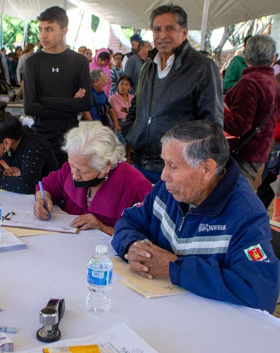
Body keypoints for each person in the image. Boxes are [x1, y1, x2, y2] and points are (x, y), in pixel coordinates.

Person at [112, 120, 280, 313]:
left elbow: (260, 293)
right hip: (156, 308)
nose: (164, 176)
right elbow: (129, 221)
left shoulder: (246, 216)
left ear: (207, 169)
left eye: (173, 166)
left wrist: (175, 268)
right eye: (164, 163)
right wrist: (132, 246)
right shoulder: (169, 190)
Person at [122, 4, 223, 184]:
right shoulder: (148, 65)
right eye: (157, 29)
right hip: (141, 165)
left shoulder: (202, 67)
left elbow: (211, 125)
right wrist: (132, 134)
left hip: (178, 169)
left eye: (170, 29)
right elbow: (136, 106)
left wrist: (190, 162)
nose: (162, 35)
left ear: (184, 33)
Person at [33, 122, 151, 234]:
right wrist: (42, 199)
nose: (74, 175)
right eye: (71, 165)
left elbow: (143, 237)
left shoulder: (135, 186)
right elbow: (47, 186)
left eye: (81, 171)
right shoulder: (76, 164)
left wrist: (102, 227)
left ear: (106, 166)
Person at [24, 6, 91, 165]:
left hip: (71, 138)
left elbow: (85, 103)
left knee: (70, 187)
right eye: (40, 29)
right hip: (41, 136)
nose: (43, 35)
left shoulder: (79, 61)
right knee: (42, 187)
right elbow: (30, 108)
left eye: (49, 29)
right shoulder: (32, 62)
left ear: (64, 30)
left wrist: (43, 100)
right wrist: (70, 103)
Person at [224, 35, 280, 186]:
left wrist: (217, 115)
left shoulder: (249, 83)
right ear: (272, 58)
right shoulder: (273, 82)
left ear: (247, 57)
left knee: (235, 196)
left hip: (244, 153)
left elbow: (240, 125)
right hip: (260, 151)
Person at [0, 100, 58, 194]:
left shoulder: (33, 146)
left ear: (6, 143)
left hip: (47, 201)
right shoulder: (10, 141)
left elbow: (27, 185)